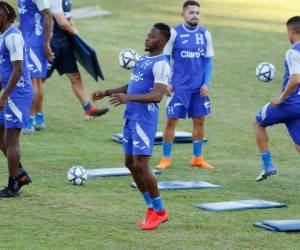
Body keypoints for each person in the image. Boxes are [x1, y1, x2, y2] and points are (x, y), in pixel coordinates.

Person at [92, 23, 171, 230]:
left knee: (142, 165)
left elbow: (156, 96)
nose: (147, 38)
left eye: (152, 36)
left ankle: (161, 211)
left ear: (161, 41)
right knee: (129, 163)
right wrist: (108, 92)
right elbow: (133, 85)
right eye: (147, 35)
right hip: (131, 116)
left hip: (144, 119)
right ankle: (150, 208)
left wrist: (129, 98)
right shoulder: (143, 59)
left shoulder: (162, 64)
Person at [155, 0, 214, 170]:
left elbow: (208, 61)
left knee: (200, 121)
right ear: (183, 14)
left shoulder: (205, 34)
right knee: (171, 121)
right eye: (191, 12)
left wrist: (206, 83)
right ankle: (166, 158)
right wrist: (165, 81)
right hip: (178, 87)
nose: (195, 15)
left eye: (197, 12)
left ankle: (197, 158)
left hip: (198, 88)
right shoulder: (174, 33)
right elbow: (165, 58)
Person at [254, 16, 300, 182]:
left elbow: (295, 79)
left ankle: (268, 165)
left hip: (290, 104)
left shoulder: (293, 51)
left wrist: (282, 98)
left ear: (291, 31)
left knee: (258, 122)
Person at [46, 0, 108, 119]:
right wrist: (73, 30)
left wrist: (72, 25)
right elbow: (62, 23)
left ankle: (88, 109)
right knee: (38, 81)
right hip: (52, 46)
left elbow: (67, 18)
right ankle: (30, 114)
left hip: (65, 45)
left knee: (75, 77)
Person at [0, 1, 33, 197]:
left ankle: (13, 186)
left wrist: (4, 96)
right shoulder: (3, 36)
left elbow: (18, 69)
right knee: (1, 134)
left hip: (17, 94)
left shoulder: (13, 37)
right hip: (9, 92)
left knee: (11, 138)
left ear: (7, 16)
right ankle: (20, 174)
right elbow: (4, 70)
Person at [18, 0, 53, 133]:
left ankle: (29, 122)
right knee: (37, 81)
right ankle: (39, 118)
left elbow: (48, 15)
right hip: (28, 40)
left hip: (35, 43)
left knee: (32, 81)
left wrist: (46, 44)